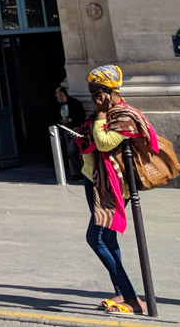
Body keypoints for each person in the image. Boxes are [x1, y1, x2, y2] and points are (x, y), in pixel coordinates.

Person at [79, 65, 151, 315]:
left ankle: (132, 299)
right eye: (92, 94)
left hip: (113, 187)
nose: (94, 98)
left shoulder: (124, 115)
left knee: (95, 238)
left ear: (109, 92)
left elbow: (104, 142)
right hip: (95, 180)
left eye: (97, 93)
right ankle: (121, 290)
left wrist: (99, 116)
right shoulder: (106, 112)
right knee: (108, 239)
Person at [56, 85, 88, 178]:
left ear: (62, 93)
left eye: (57, 93)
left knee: (72, 150)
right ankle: (75, 172)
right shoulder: (60, 105)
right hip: (65, 129)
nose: (56, 95)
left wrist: (70, 120)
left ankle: (80, 172)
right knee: (67, 151)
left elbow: (81, 115)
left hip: (75, 128)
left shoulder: (74, 103)